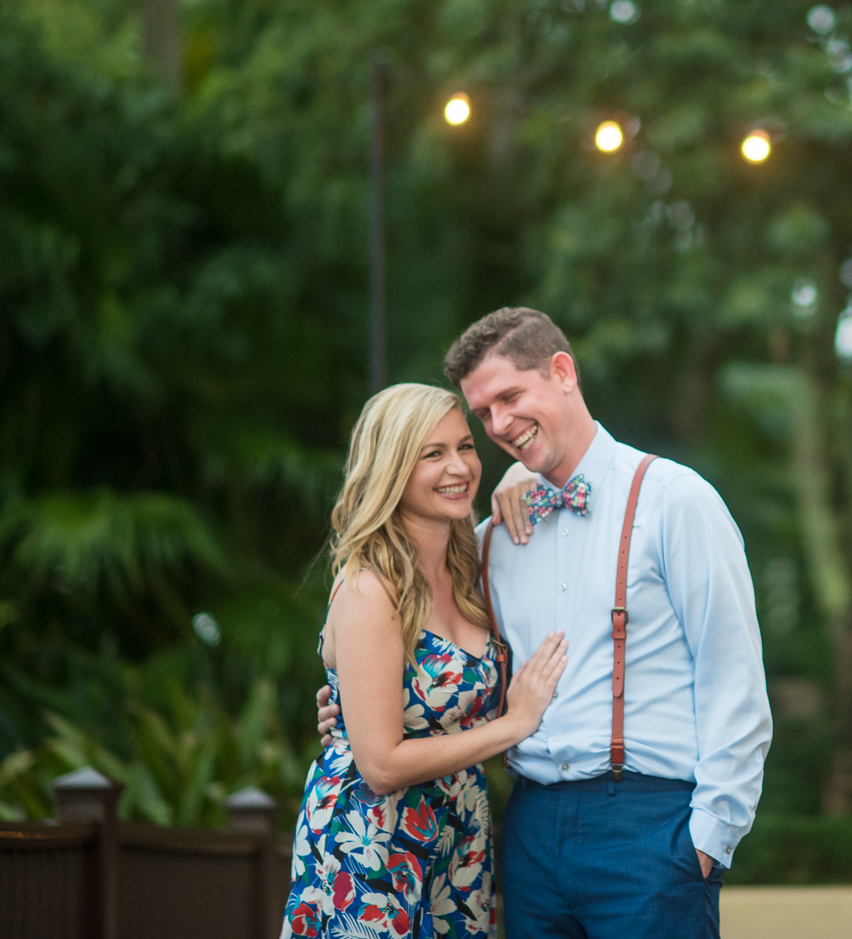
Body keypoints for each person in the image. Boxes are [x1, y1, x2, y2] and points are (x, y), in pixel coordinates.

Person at [318, 308, 772, 939]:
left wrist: (707, 841)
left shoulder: (675, 500)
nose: (501, 424)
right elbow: (423, 661)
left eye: (510, 397)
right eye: (484, 414)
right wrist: (353, 702)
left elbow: (735, 679)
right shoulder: (484, 545)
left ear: (562, 372)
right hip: (525, 833)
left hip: (650, 831)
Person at [287, 382, 570, 939]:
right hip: (373, 841)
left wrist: (519, 473)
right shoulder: (373, 588)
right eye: (432, 454)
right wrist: (514, 724)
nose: (459, 467)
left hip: (456, 834)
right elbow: (381, 765)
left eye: (465, 447)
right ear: (391, 468)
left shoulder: (470, 571)